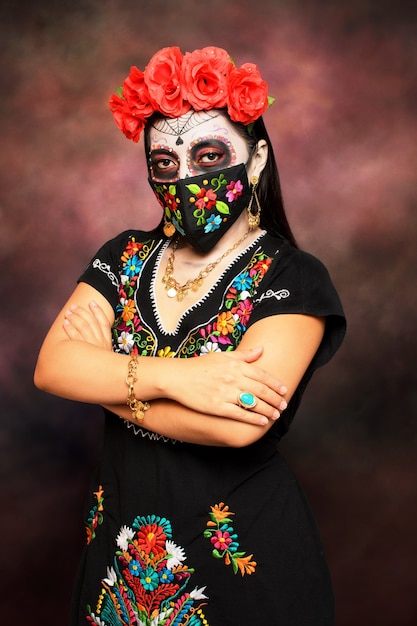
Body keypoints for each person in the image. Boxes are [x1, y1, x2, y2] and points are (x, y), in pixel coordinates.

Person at [34, 46, 346, 625]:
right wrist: (184, 377)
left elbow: (238, 424)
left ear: (255, 159)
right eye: (166, 165)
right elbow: (52, 367)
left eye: (208, 155)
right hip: (118, 564)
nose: (188, 179)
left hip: (246, 561)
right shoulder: (123, 255)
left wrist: (104, 372)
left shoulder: (293, 277)